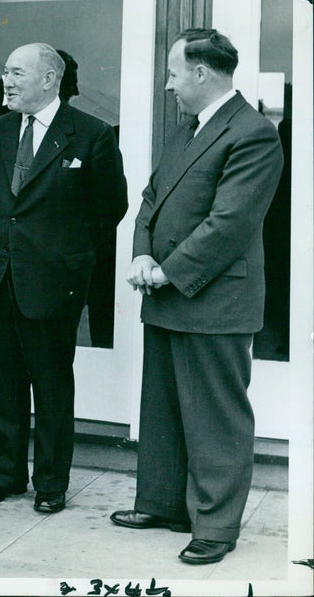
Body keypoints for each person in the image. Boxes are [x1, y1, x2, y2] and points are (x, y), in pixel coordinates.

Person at [110, 28, 283, 565]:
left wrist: (166, 271)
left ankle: (215, 525)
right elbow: (151, 197)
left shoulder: (252, 133)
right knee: (162, 408)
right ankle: (164, 504)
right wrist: (142, 254)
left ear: (201, 73)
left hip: (212, 298)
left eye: (173, 73)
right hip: (166, 290)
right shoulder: (190, 128)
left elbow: (229, 224)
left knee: (215, 416)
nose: (169, 85)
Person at [0, 43, 127, 513]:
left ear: (49, 79)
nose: (7, 81)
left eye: (17, 73)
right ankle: (5, 474)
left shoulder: (90, 134)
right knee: (3, 381)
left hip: (54, 281)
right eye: (5, 72)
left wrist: (63, 254)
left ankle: (51, 482)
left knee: (52, 383)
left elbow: (109, 208)